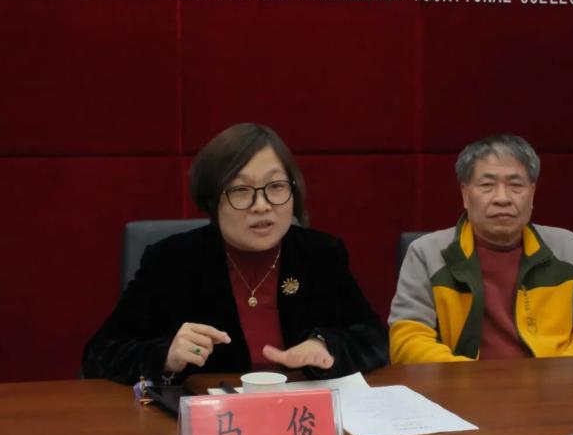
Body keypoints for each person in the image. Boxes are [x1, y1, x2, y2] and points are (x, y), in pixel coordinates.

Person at [83, 123, 388, 384]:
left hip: (299, 418)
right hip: (213, 422)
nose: (262, 205)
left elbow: (374, 339)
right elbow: (100, 354)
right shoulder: (172, 262)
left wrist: (324, 345)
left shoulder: (321, 254)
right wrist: (165, 357)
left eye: (276, 186)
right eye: (241, 191)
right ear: (212, 200)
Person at [389, 133, 573, 363]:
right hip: (464, 384)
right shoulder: (426, 254)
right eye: (487, 185)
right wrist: (469, 378)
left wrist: (559, 373)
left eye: (515, 185)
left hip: (555, 381)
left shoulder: (570, 249)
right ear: (465, 194)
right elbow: (407, 339)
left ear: (532, 194)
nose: (502, 198)